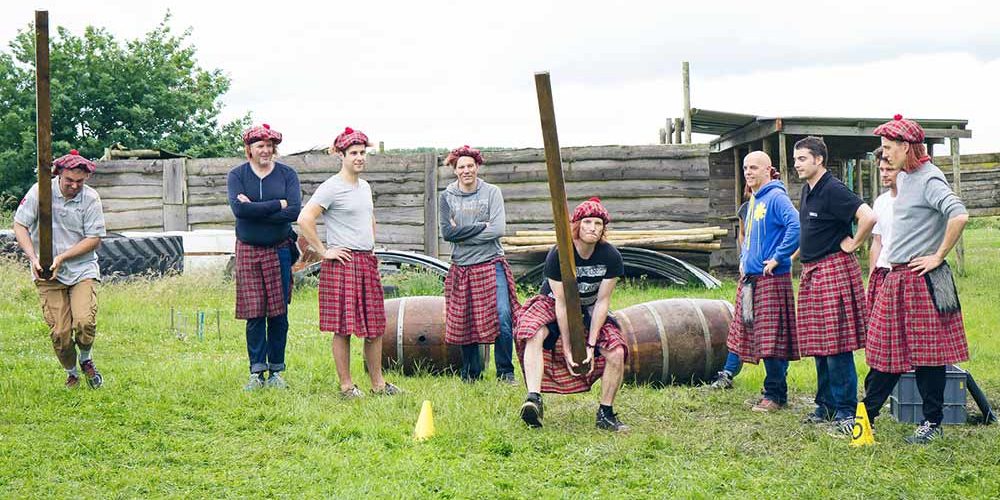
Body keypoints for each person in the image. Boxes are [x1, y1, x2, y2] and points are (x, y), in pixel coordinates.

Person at [862, 115, 970, 443]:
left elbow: (959, 214)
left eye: (887, 148)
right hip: (897, 277)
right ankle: (865, 418)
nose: (884, 154)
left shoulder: (929, 178)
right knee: (885, 351)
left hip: (921, 278)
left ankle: (932, 423)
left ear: (906, 147)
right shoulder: (907, 178)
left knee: (928, 355)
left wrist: (937, 256)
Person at [297, 127, 401, 398]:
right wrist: (323, 252)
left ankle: (378, 385)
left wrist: (372, 247)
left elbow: (370, 218)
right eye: (353, 153)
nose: (359, 157)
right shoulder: (331, 187)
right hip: (343, 263)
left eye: (362, 152)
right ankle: (346, 386)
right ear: (341, 156)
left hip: (366, 261)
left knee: (375, 326)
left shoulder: (364, 186)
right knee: (343, 328)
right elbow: (304, 218)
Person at [515, 197, 629, 431]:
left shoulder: (611, 256)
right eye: (587, 222)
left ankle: (605, 413)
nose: (593, 228)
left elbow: (602, 302)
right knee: (532, 331)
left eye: (598, 223)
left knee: (617, 350)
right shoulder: (559, 253)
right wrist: (567, 348)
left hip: (590, 306)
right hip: (553, 302)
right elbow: (563, 303)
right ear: (577, 225)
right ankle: (534, 399)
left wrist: (591, 345)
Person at [793, 136, 876, 434]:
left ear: (819, 160)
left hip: (833, 270)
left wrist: (854, 243)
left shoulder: (833, 188)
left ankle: (846, 411)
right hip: (813, 271)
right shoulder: (807, 190)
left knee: (837, 344)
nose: (797, 164)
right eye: (795, 159)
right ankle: (825, 405)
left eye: (802, 158)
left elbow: (868, 216)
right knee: (819, 342)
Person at [13, 149, 107, 389]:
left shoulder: (91, 198)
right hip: (47, 272)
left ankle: (86, 359)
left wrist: (62, 258)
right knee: (60, 333)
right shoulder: (40, 192)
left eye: (80, 181)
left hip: (81, 269)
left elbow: (94, 238)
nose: (74, 186)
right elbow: (20, 225)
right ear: (58, 175)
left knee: (84, 322)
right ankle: (72, 373)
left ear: (86, 178)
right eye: (69, 180)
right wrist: (33, 258)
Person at [227, 123, 301, 390]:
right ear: (249, 149)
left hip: (279, 249)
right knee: (254, 313)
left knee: (279, 314)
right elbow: (239, 211)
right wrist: (276, 205)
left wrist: (255, 209)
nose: (266, 150)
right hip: (248, 249)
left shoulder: (287, 174)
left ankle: (276, 371)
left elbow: (294, 211)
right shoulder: (237, 175)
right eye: (260, 146)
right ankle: (256, 372)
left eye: (270, 146)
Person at [725, 151, 800, 411]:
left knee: (772, 339)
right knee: (756, 334)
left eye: (754, 167)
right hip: (751, 279)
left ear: (768, 170)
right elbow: (749, 237)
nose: (748, 172)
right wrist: (744, 259)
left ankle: (775, 395)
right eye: (746, 167)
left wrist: (778, 257)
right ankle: (773, 389)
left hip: (771, 279)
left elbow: (796, 225)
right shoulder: (755, 198)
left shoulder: (776, 197)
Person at [439, 145, 520, 383]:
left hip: (491, 262)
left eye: (470, 166)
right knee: (467, 320)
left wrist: (462, 234)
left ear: (477, 167)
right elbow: (447, 233)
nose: (466, 170)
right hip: (462, 266)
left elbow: (498, 229)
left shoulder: (492, 192)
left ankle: (505, 372)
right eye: (461, 167)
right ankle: (472, 373)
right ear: (454, 170)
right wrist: (480, 227)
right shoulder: (447, 197)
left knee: (502, 315)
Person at [710, 184, 753, 389]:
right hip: (748, 275)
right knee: (740, 323)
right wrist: (744, 257)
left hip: (769, 274)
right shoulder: (745, 209)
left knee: (771, 332)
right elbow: (742, 234)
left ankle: (776, 384)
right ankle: (728, 372)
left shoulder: (775, 204)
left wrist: (781, 259)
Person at [865, 146, 899, 321]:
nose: (884, 174)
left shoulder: (911, 201)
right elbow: (877, 242)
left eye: (890, 170)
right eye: (881, 170)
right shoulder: (880, 202)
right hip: (883, 271)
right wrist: (872, 278)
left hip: (903, 272)